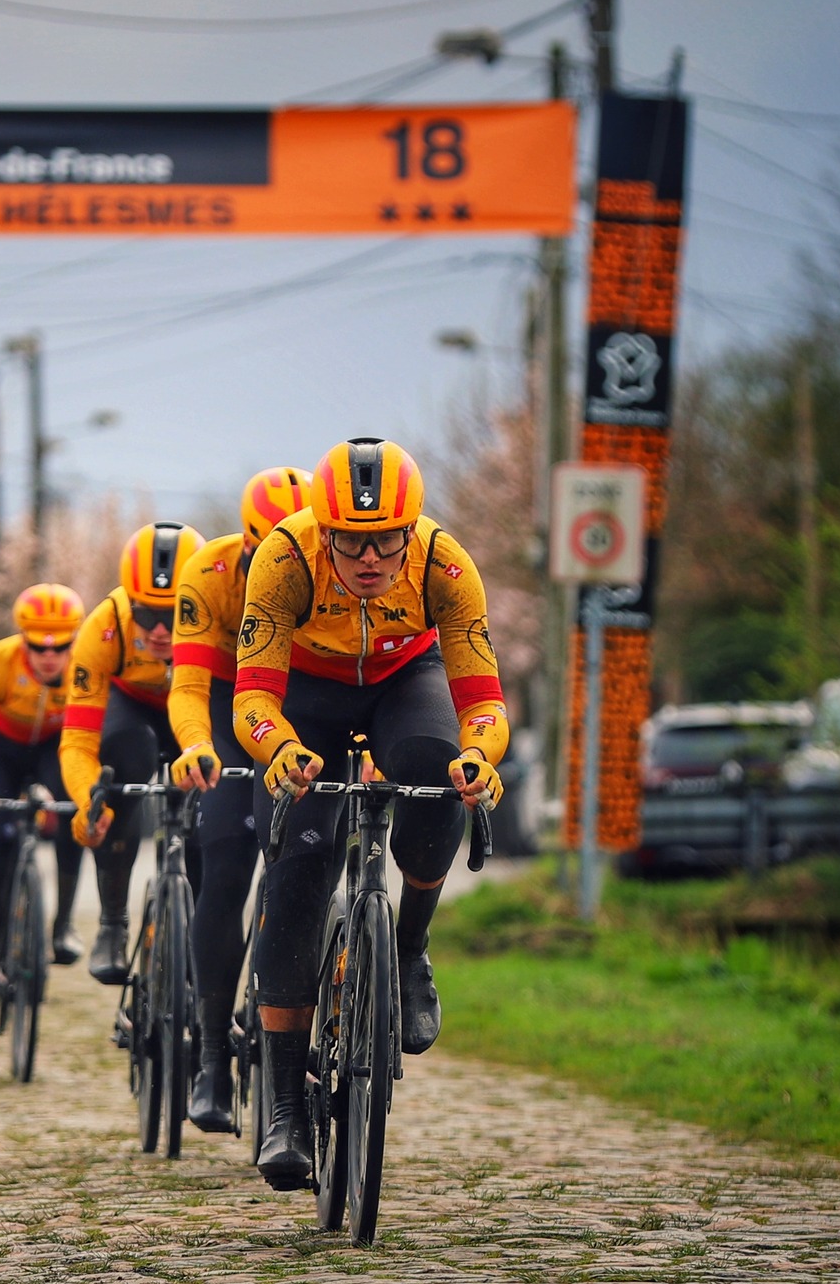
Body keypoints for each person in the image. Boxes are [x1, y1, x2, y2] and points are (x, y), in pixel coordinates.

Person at [232, 437, 507, 1190]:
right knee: (293, 875)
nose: (369, 558)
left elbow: (482, 703)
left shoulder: (447, 566)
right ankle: (286, 1103)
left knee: (435, 768)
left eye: (386, 540)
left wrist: (479, 757)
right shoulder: (283, 559)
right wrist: (279, 747)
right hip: (307, 696)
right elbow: (252, 696)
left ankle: (410, 948)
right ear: (323, 530)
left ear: (410, 529)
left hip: (402, 678)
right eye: (350, 541)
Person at [166, 467, 313, 1133]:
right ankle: (211, 1058)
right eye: (264, 550)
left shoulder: (330, 568)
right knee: (223, 867)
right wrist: (198, 745)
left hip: (305, 696)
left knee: (303, 868)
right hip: (231, 702)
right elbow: (190, 684)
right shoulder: (209, 572)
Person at [60, 521, 205, 985]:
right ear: (127, 602)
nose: (160, 631)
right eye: (145, 614)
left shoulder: (219, 613)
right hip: (133, 708)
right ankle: (112, 921)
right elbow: (78, 741)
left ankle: (200, 928)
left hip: (197, 704)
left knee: (210, 802)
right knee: (126, 762)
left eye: (173, 614)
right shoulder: (102, 628)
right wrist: (89, 799)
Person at [0, 583, 89, 1036]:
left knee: (76, 812)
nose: (49, 656)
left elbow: (91, 733)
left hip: (55, 745)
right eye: (37, 647)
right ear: (23, 640)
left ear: (75, 641)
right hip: (2, 752)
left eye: (61, 647)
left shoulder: (84, 668)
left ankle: (63, 925)